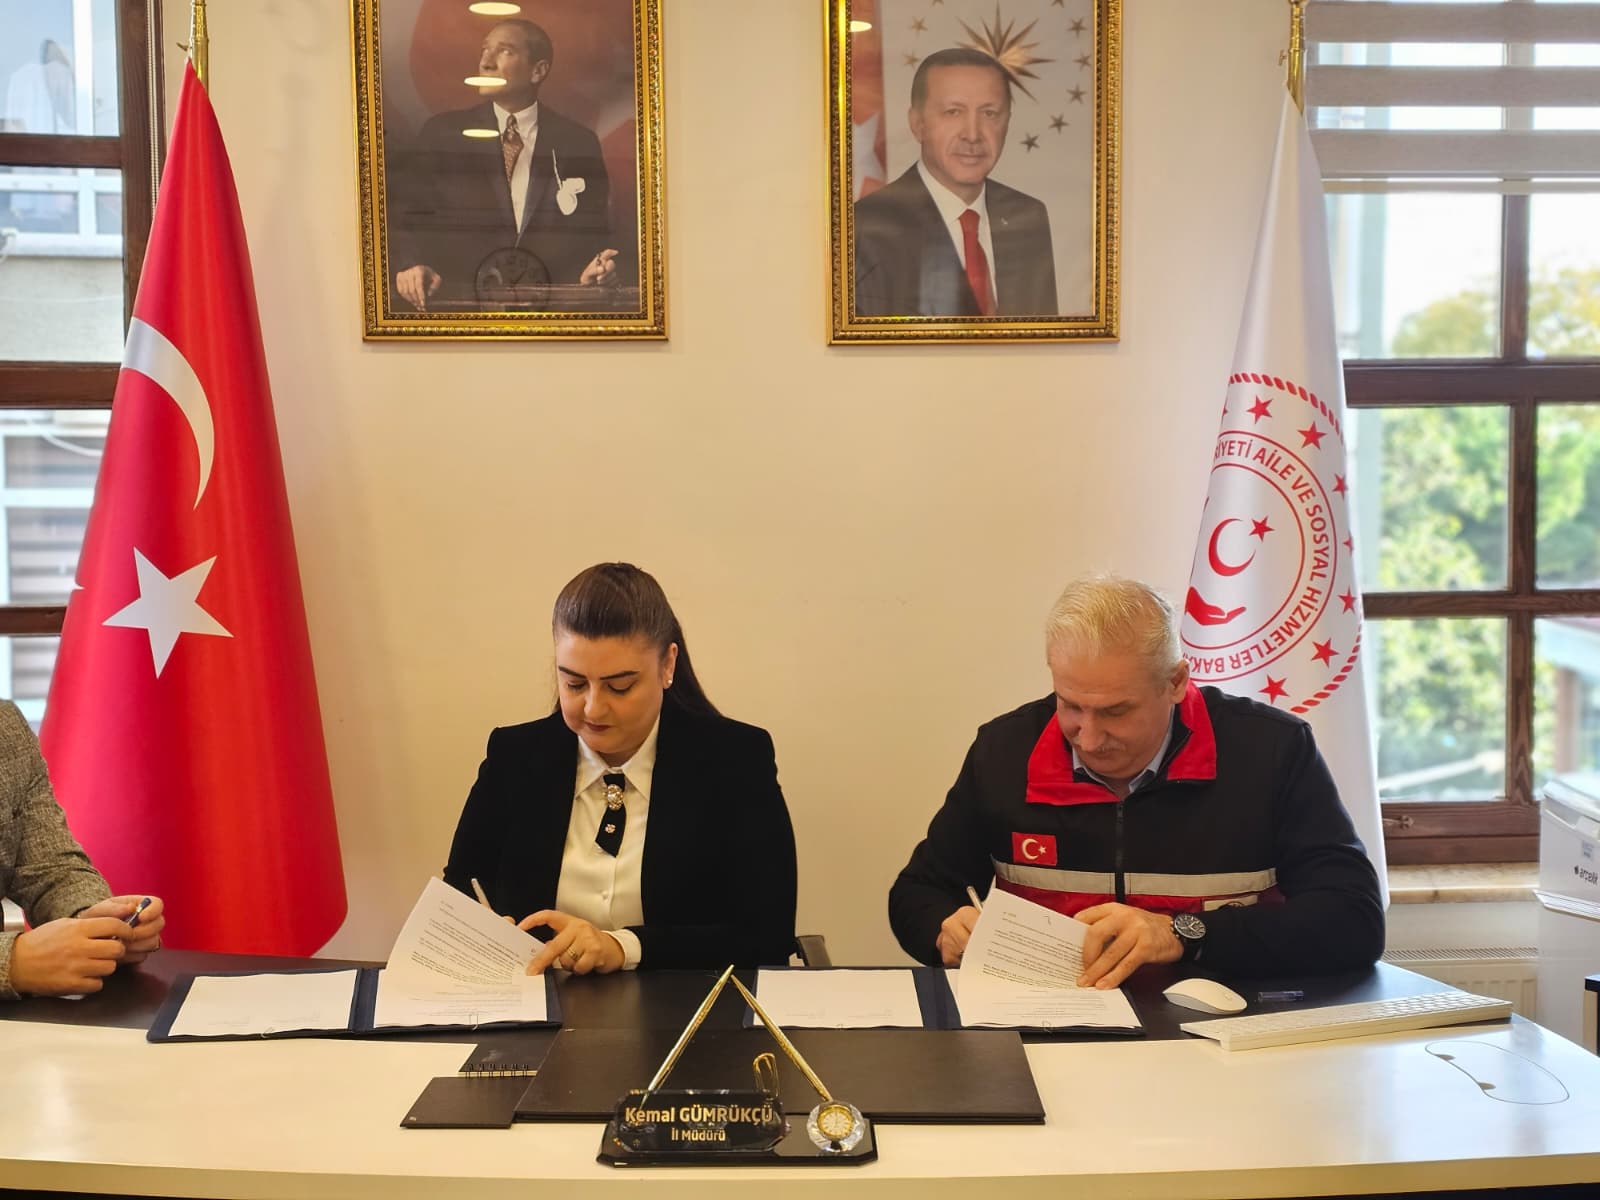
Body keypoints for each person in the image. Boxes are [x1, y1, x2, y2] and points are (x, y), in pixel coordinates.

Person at [889, 576, 1383, 985]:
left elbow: (1353, 919)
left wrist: (1182, 933)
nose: (1088, 737)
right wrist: (942, 930)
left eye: (1115, 711)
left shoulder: (1271, 751)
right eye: (1070, 705)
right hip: (1045, 1029)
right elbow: (918, 891)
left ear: (1176, 682)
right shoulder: (1004, 751)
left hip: (1223, 1034)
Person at [444, 562, 797, 973]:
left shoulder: (735, 760)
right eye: (574, 684)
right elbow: (461, 892)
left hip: (684, 1005)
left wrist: (624, 946)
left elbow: (767, 934)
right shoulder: (515, 757)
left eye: (620, 686)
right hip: (536, 1000)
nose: (593, 708)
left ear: (667, 666)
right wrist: (484, 932)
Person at [389, 18, 620, 311]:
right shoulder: (442, 134)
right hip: (459, 310)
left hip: (548, 317)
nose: (485, 62)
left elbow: (593, 234)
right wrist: (411, 265)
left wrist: (594, 270)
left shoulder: (577, 142)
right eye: (484, 50)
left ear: (538, 71)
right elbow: (408, 216)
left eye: (505, 51)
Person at [854, 48, 1057, 318]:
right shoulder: (865, 227)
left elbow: (1044, 338)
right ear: (917, 124)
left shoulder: (1028, 216)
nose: (972, 135)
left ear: (1007, 122)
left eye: (989, 113)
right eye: (953, 112)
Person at [0, 701, 164, 999]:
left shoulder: (5, 726)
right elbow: (14, 963)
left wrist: (93, 923)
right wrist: (12, 964)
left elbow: (49, 867)